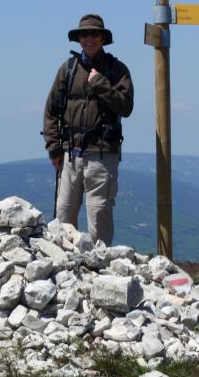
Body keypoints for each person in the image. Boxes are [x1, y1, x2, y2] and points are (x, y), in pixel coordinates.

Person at [43, 14, 134, 246]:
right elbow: (51, 110)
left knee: (99, 220)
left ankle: (100, 273)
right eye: (84, 34)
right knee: (63, 219)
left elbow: (126, 107)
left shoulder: (116, 69)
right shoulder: (68, 69)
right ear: (78, 39)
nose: (89, 38)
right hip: (70, 155)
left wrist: (100, 84)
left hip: (103, 156)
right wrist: (54, 149)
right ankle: (64, 273)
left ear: (103, 38)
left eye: (94, 34)